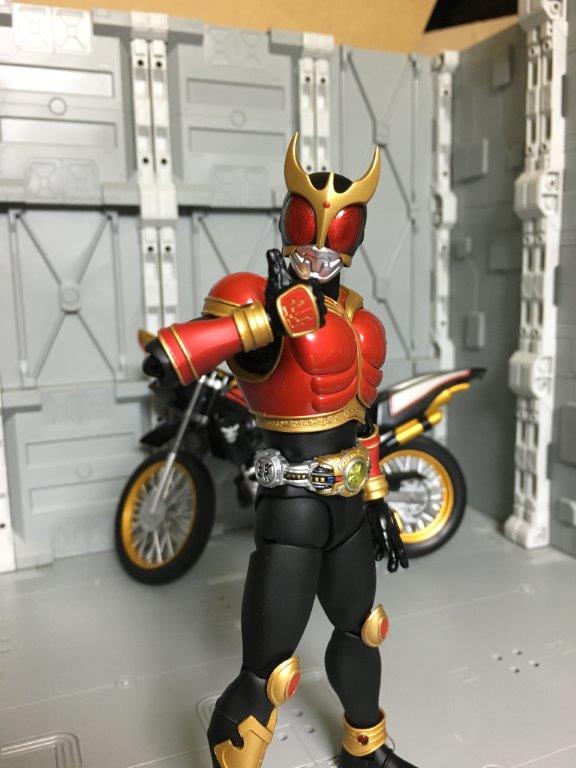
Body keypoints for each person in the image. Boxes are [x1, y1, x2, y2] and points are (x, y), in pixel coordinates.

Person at [143, 134, 418, 768]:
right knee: (268, 670)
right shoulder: (253, 296)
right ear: (287, 220)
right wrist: (266, 319)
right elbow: (169, 358)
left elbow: (363, 418)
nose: (319, 243)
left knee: (363, 631)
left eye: (338, 229)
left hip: (349, 506)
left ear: (354, 236)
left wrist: (378, 498)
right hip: (292, 504)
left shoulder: (359, 322)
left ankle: (366, 749)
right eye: (305, 221)